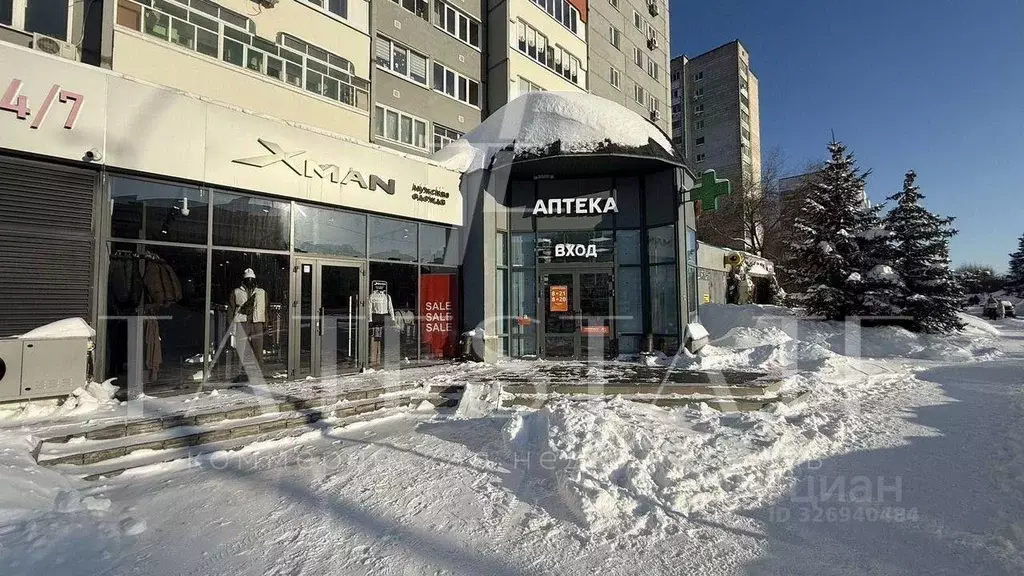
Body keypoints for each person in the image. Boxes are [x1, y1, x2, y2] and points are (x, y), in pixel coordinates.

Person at [229, 268, 268, 380]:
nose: (250, 281)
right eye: (247, 279)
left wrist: (265, 323)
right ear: (243, 280)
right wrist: (231, 325)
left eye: (251, 279)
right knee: (242, 350)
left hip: (257, 323)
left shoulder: (262, 292)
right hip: (242, 322)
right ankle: (241, 374)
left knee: (258, 351)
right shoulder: (236, 292)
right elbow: (231, 310)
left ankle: (259, 373)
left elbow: (266, 309)